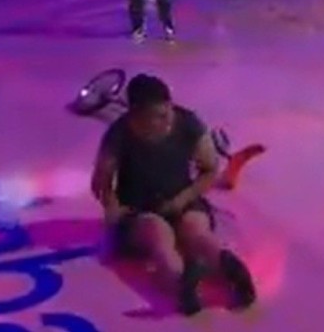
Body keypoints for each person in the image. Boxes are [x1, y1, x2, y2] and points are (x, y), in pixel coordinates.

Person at [91, 74, 256, 315]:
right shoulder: (119, 135)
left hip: (183, 198)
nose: (167, 120)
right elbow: (101, 183)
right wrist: (113, 208)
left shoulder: (188, 123)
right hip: (140, 208)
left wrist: (182, 199)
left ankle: (233, 273)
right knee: (158, 235)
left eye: (167, 112)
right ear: (136, 116)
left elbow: (209, 169)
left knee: (195, 231)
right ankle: (183, 284)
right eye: (157, 117)